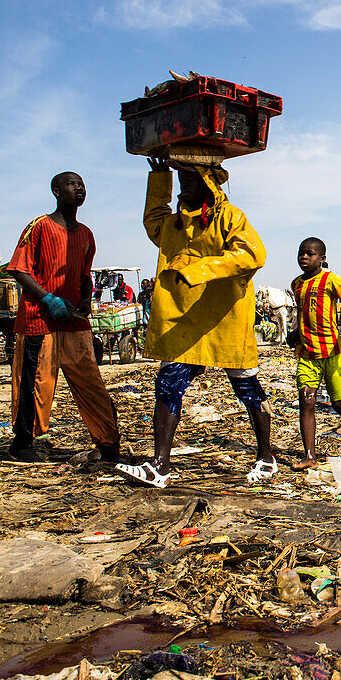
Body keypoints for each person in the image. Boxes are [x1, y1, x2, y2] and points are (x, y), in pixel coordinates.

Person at [116, 159, 271, 488]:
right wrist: (159, 176)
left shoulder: (230, 217)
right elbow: (152, 221)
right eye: (180, 174)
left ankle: (266, 456)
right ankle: (159, 465)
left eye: (191, 174)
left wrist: (200, 270)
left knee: (246, 389)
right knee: (168, 384)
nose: (184, 180)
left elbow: (252, 255)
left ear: (209, 181)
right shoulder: (172, 225)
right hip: (185, 321)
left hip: (225, 316)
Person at [6, 172, 120, 462]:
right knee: (35, 380)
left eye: (81, 184)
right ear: (56, 191)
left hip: (73, 318)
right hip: (39, 317)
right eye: (72, 184)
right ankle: (22, 443)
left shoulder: (85, 235)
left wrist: (85, 297)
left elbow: (84, 274)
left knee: (90, 380)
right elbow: (20, 269)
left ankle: (108, 442)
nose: (79, 189)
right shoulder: (39, 227)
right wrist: (46, 297)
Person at [287, 237, 341, 469]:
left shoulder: (331, 280)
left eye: (310, 254)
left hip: (332, 352)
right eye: (301, 253)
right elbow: (300, 314)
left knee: (338, 403)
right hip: (307, 354)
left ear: (322, 259)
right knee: (306, 400)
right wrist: (294, 332)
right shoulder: (296, 284)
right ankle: (310, 457)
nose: (304, 257)